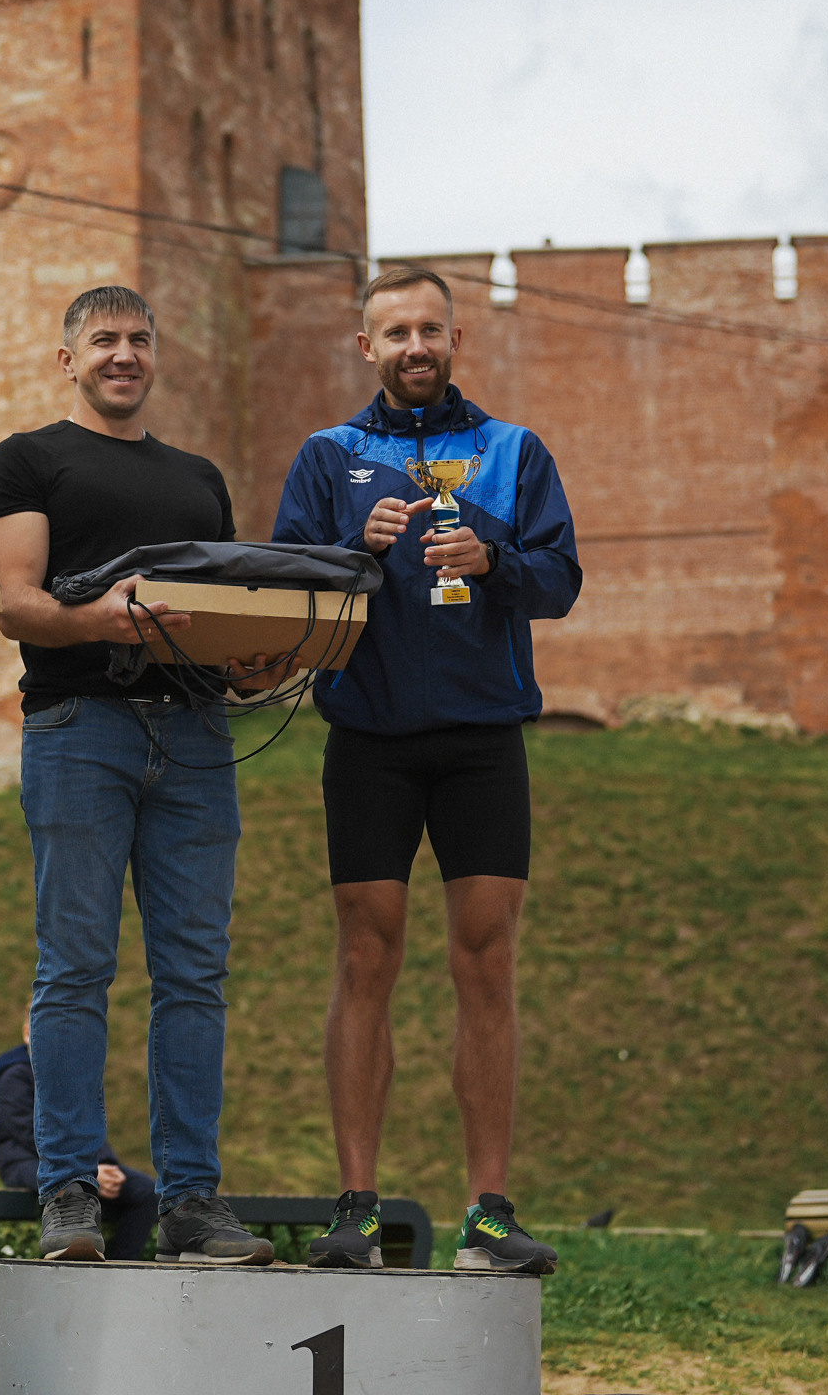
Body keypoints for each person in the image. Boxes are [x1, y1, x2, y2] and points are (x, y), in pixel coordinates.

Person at [269, 265, 578, 1275]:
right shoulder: (329, 455)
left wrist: (493, 558)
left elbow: (560, 580)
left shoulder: (513, 450)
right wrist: (350, 547)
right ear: (367, 346)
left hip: (484, 739)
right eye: (395, 332)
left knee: (486, 961)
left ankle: (488, 1213)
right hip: (369, 737)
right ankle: (356, 1210)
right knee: (367, 956)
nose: (415, 347)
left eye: (430, 330)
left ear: (455, 340)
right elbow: (285, 581)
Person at [0, 283, 278, 1268]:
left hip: (196, 734)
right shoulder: (27, 460)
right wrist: (100, 618)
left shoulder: (199, 478)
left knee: (196, 973)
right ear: (69, 359)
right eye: (104, 339)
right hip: (79, 728)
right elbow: (16, 604)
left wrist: (254, 663)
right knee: (75, 966)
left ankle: (191, 1201)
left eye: (140, 339)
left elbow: (216, 613)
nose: (124, 354)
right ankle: (67, 1190)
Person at [0, 1011, 159, 1262]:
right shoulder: (13, 1078)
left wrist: (105, 1164)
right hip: (24, 1160)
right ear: (27, 1034)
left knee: (146, 1192)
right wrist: (86, 1170)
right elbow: (27, 1132)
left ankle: (122, 1263)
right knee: (70, 1184)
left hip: (80, 1160)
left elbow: (90, 1124)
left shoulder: (72, 1076)